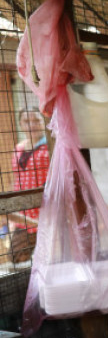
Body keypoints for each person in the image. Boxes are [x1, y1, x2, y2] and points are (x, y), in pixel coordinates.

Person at [10, 109, 50, 263]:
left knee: (48, 259)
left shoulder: (51, 146)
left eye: (36, 120)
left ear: (44, 122)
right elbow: (16, 178)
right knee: (17, 258)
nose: (32, 125)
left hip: (46, 212)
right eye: (27, 121)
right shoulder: (18, 148)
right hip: (23, 216)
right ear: (20, 124)